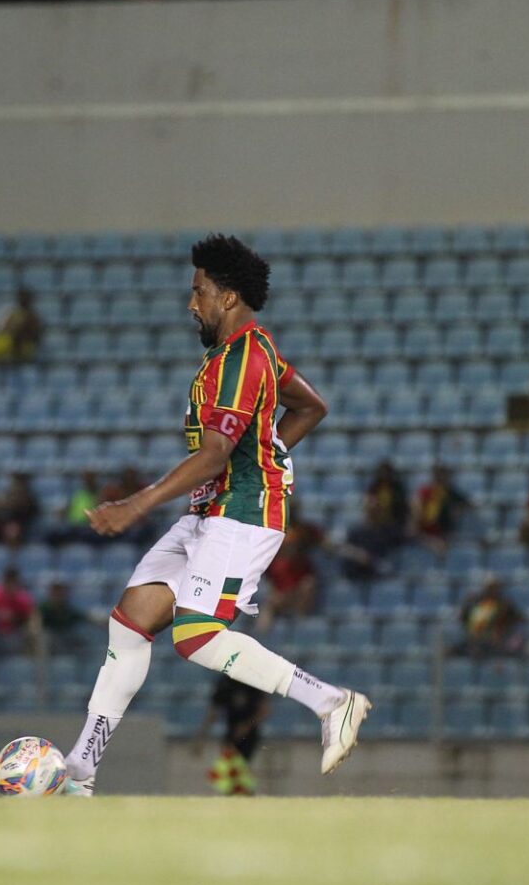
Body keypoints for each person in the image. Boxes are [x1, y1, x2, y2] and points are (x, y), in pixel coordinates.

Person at [60, 235, 369, 796]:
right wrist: (271, 452)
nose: (190, 302)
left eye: (198, 290)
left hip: (243, 513)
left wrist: (137, 504)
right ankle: (81, 769)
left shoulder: (245, 355)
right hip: (212, 510)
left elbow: (214, 454)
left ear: (227, 298)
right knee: (131, 620)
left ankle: (332, 702)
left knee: (196, 634)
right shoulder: (247, 355)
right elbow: (311, 406)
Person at [193, 674, 271, 797]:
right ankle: (235, 799)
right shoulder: (225, 682)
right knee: (230, 774)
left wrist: (246, 726)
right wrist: (201, 737)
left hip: (251, 737)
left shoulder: (253, 680)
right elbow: (213, 712)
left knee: (242, 771)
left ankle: (247, 796)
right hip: (231, 736)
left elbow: (264, 710)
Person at [340, 461, 409, 580]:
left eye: (376, 509)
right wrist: (358, 554)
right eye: (371, 509)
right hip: (358, 570)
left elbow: (408, 537)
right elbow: (344, 547)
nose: (373, 512)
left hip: (380, 570)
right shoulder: (357, 530)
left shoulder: (388, 530)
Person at [255, 512, 322, 634]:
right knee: (269, 604)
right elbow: (268, 581)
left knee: (307, 587)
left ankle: (301, 628)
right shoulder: (273, 562)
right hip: (281, 597)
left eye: (291, 544)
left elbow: (309, 579)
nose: (289, 547)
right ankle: (261, 636)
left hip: (297, 595)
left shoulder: (301, 560)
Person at [452, 577, 525, 658]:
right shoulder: (475, 603)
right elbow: (463, 618)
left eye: (495, 588)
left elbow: (518, 619)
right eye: (490, 588)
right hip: (476, 640)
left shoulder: (505, 605)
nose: (493, 591)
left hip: (497, 642)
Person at [410, 463, 470, 555]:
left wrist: (456, 512)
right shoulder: (426, 490)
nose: (440, 478)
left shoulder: (450, 492)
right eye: (438, 475)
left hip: (441, 529)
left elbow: (465, 504)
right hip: (424, 527)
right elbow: (416, 501)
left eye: (443, 475)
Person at [34, 580, 91, 655]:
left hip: (66, 639)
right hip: (49, 638)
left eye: (60, 592)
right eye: (55, 592)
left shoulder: (68, 609)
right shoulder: (44, 608)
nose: (58, 595)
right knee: (44, 638)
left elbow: (85, 618)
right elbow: (35, 623)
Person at [0, 472, 40, 546]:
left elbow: (34, 512)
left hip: (26, 525)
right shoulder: (4, 511)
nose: (17, 497)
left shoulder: (31, 503)